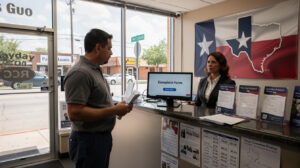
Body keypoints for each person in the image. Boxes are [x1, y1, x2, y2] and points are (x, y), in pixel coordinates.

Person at [64, 28, 133, 168]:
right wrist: (114, 110)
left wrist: (117, 107)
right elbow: (75, 113)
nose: (112, 52)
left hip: (99, 139)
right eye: (109, 48)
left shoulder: (94, 69)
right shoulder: (80, 73)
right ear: (97, 48)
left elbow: (96, 102)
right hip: (89, 141)